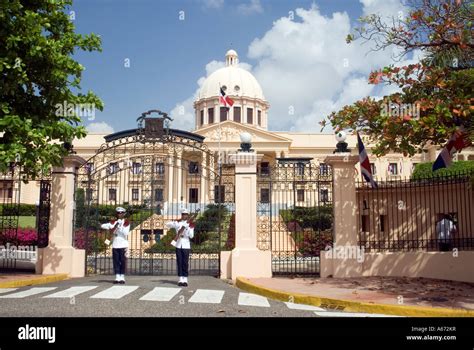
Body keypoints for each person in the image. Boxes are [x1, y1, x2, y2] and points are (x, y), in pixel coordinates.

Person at [165, 208, 195, 287]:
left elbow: (191, 236)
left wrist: (187, 228)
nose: (184, 216)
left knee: (185, 262)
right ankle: (180, 279)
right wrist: (175, 222)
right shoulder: (177, 223)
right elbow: (167, 224)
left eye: (185, 215)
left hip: (186, 244)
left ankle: (185, 279)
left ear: (187, 216)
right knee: (179, 262)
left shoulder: (190, 224)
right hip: (178, 244)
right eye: (183, 214)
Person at [101, 207, 130, 284]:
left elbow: (126, 233)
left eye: (121, 213)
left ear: (124, 214)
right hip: (115, 244)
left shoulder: (126, 222)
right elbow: (103, 226)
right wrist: (112, 226)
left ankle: (122, 276)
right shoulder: (114, 222)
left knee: (123, 261)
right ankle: (117, 276)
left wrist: (120, 226)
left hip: (123, 244)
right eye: (118, 213)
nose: (119, 214)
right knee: (116, 261)